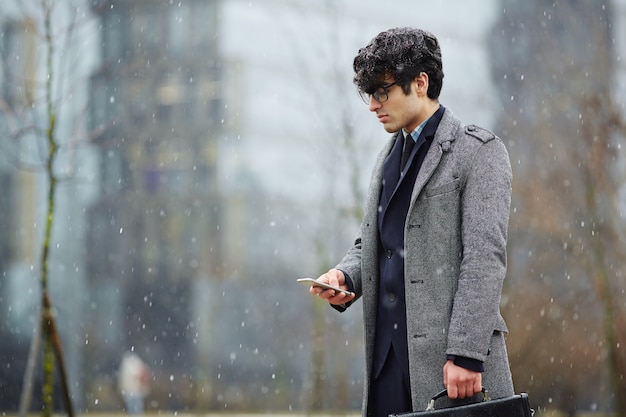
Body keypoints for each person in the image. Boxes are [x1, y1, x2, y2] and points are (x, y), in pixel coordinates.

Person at [307, 27, 515, 416]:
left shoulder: (479, 152)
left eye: (382, 92)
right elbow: (374, 243)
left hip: (450, 368)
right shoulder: (385, 159)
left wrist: (467, 354)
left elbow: (484, 259)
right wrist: (345, 277)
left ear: (420, 83)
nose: (372, 105)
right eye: (369, 94)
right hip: (384, 366)